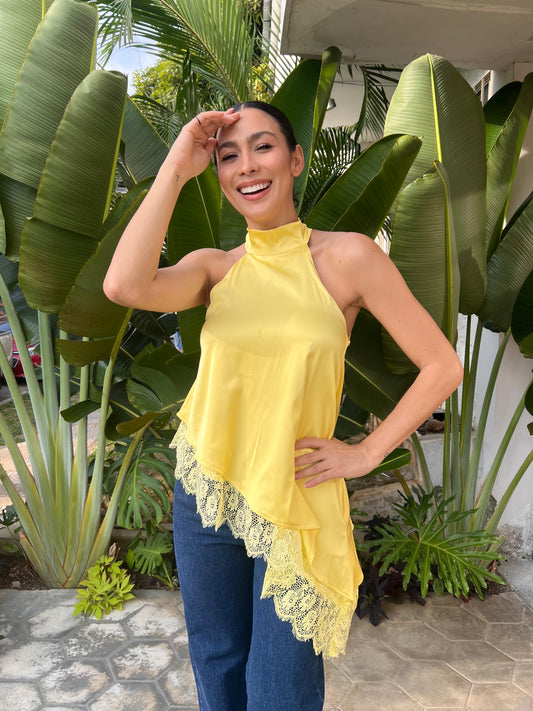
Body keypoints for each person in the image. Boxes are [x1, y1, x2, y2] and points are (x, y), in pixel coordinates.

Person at [104, 101, 463, 711]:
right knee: (218, 662)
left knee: (280, 688)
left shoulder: (347, 257)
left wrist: (367, 453)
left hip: (297, 492)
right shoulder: (216, 269)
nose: (247, 166)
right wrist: (177, 167)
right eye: (229, 155)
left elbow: (442, 366)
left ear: (295, 160)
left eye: (263, 146)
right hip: (208, 492)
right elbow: (123, 286)